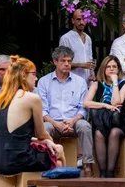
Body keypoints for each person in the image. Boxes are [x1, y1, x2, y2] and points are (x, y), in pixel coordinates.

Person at [0, 56, 65, 174]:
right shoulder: (32, 98)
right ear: (23, 75)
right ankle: (63, 185)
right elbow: (41, 134)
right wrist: (50, 142)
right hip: (16, 160)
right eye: (34, 74)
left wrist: (44, 142)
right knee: (57, 152)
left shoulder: (1, 99)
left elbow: (9, 135)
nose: (36, 78)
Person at [38, 45, 95, 175]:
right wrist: (56, 123)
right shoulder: (44, 82)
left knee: (85, 126)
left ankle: (87, 165)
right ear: (55, 62)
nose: (67, 64)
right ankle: (48, 165)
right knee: (45, 128)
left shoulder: (80, 82)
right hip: (52, 122)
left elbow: (83, 108)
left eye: (69, 61)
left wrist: (72, 121)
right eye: (63, 61)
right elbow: (42, 110)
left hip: (74, 121)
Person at [83, 55, 125, 177]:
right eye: (108, 67)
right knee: (98, 134)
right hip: (102, 120)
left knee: (114, 133)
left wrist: (115, 82)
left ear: (118, 69)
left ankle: (110, 174)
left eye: (114, 67)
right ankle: (102, 174)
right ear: (103, 69)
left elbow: (116, 103)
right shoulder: (96, 84)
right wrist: (105, 105)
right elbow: (86, 103)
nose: (111, 69)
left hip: (119, 121)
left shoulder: (124, 84)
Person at [59, 9, 96, 82]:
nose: (81, 22)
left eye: (84, 19)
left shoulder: (88, 38)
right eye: (78, 19)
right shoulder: (66, 38)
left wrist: (92, 73)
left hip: (87, 82)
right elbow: (62, 63)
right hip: (71, 82)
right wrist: (81, 65)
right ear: (73, 21)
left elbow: (90, 60)